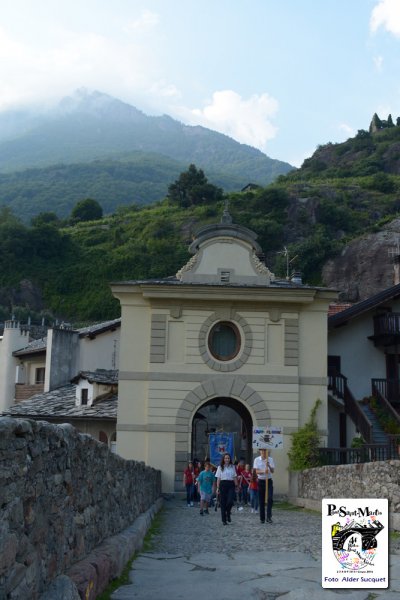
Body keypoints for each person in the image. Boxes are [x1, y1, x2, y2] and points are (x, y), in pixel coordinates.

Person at [215, 453, 238, 525]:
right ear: (223, 459)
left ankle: (228, 513)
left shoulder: (232, 467)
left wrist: (237, 485)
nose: (227, 459)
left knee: (230, 501)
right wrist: (217, 488)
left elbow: (234, 477)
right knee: (223, 503)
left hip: (231, 484)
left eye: (228, 458)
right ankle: (224, 520)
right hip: (223, 485)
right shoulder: (220, 467)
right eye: (225, 458)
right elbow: (218, 478)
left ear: (230, 459)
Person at [253, 448, 275, 523]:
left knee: (270, 498)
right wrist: (263, 471)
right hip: (261, 481)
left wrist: (268, 465)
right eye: (262, 451)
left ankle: (269, 516)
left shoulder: (270, 459)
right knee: (261, 500)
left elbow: (272, 471)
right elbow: (256, 471)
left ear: (267, 451)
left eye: (264, 451)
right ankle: (262, 518)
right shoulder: (256, 459)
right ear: (260, 451)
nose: (263, 452)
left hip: (268, 481)